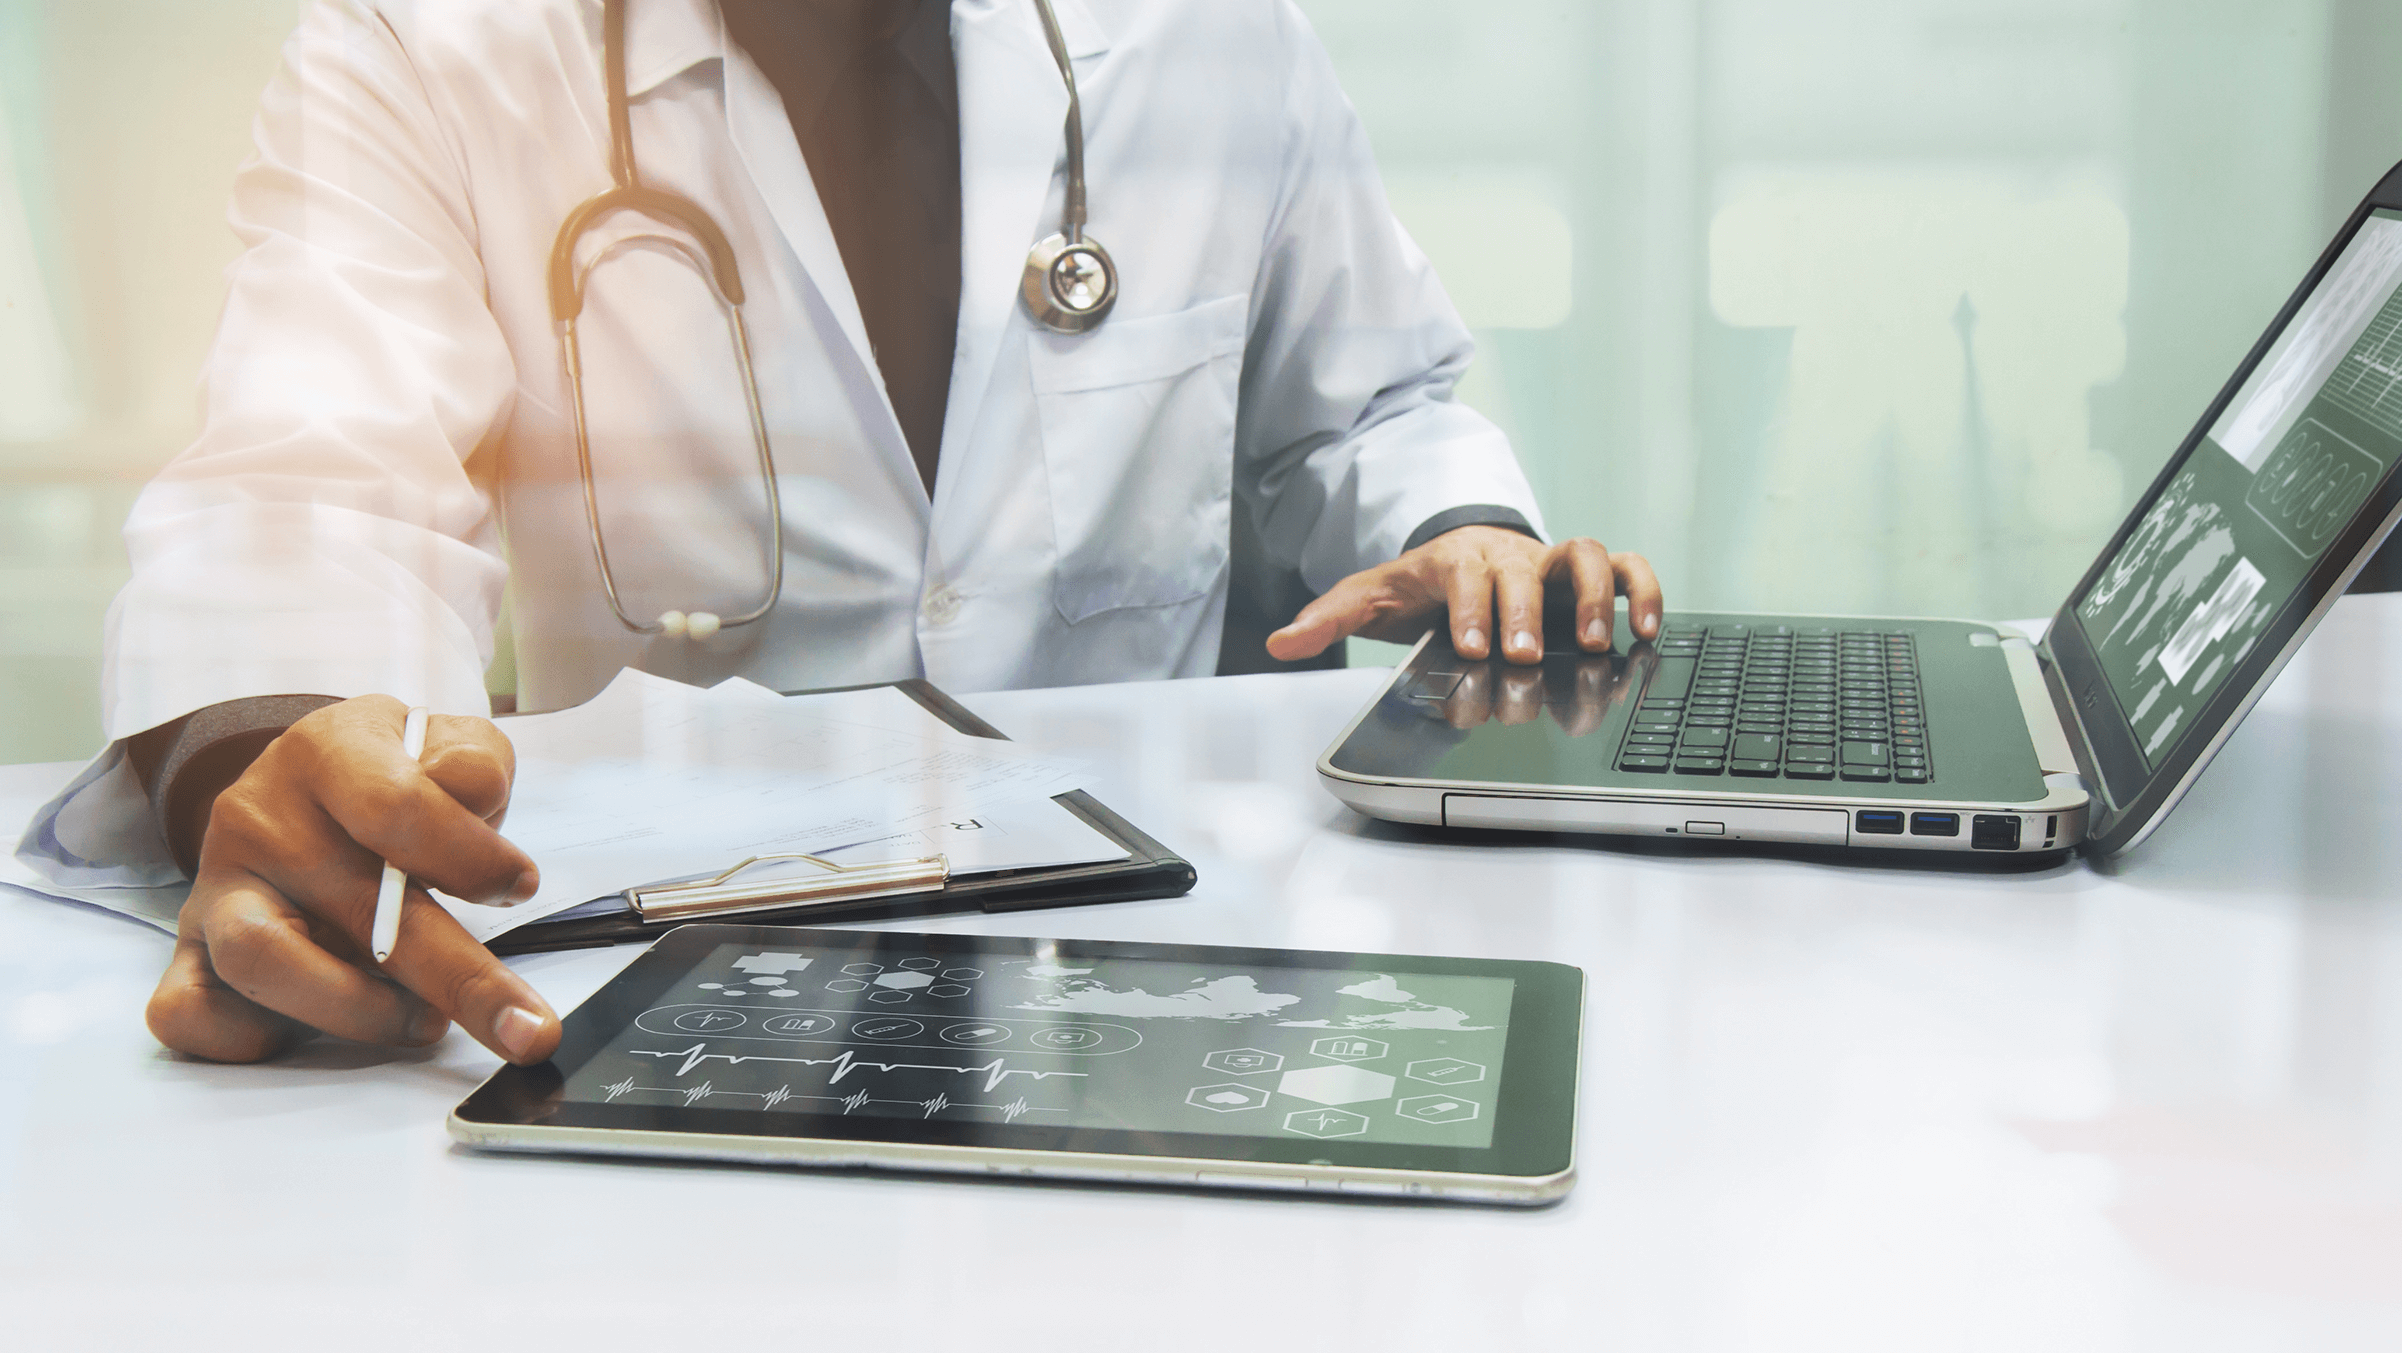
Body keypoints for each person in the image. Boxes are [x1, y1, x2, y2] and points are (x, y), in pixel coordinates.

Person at [19, 0, 1661, 1071]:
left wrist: (1455, 530)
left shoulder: (1211, 34)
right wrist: (270, 752)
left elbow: (1361, 407)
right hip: (677, 979)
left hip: (1172, 964)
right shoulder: (430, 46)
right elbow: (312, 483)